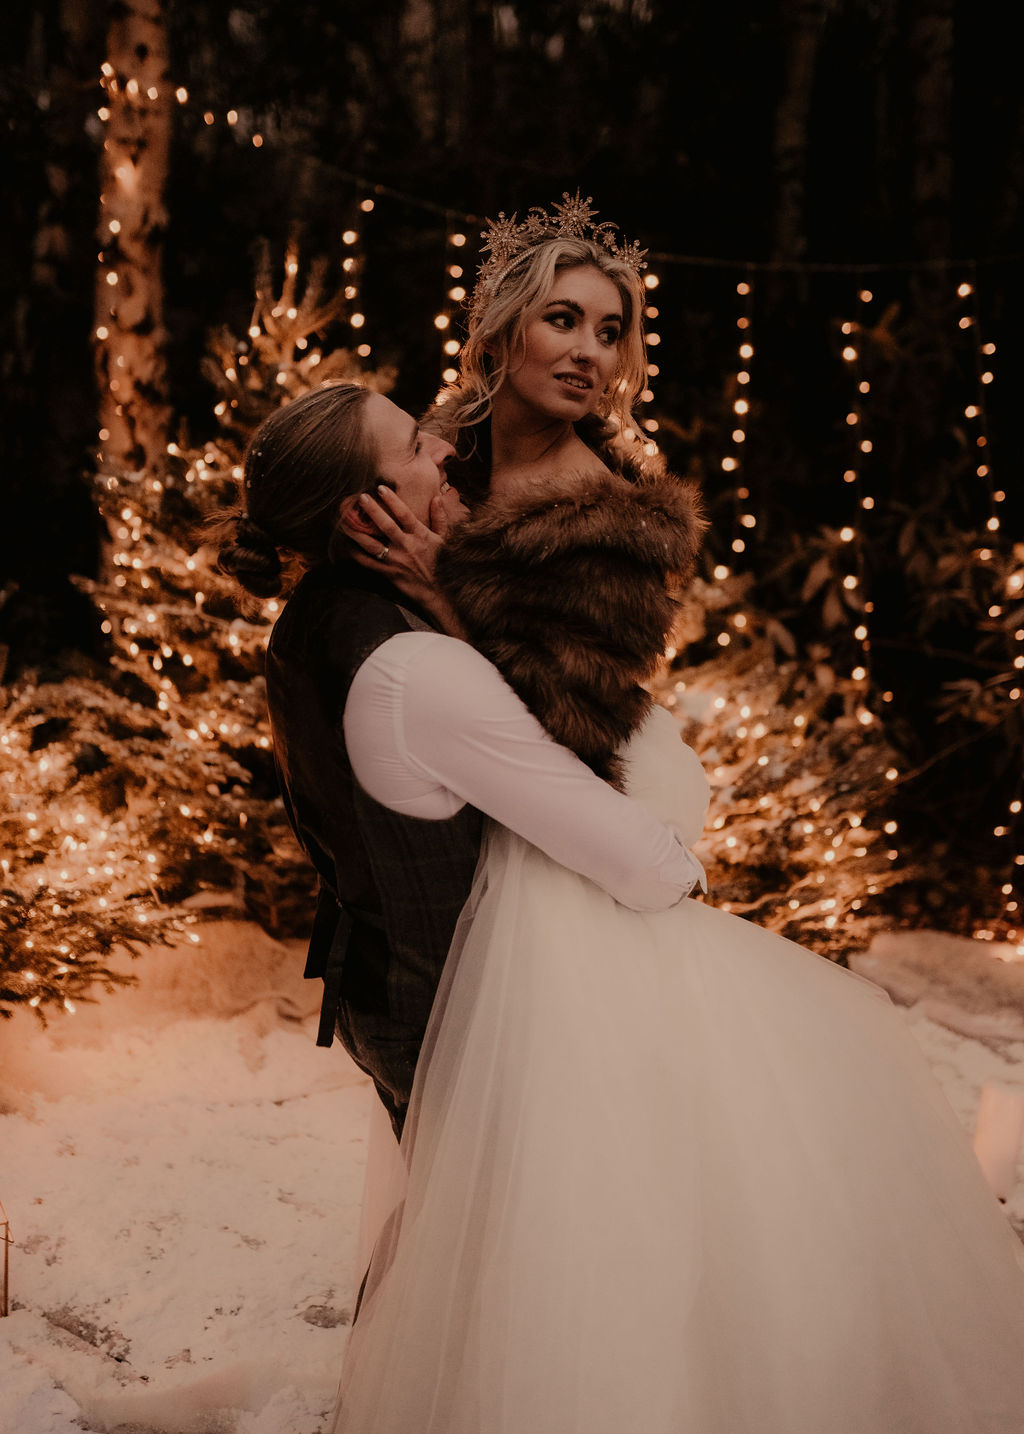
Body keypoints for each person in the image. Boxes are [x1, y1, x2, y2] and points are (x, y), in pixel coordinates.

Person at [329, 196, 1024, 1432]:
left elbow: (567, 731)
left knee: (599, 1090)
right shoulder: (437, 451)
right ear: (498, 332)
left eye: (614, 327)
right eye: (563, 318)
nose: (591, 351)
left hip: (599, 779)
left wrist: (447, 594)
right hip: (524, 785)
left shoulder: (616, 516)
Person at [214, 380, 706, 1142]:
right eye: (414, 445)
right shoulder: (414, 668)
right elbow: (651, 869)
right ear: (365, 512)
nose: (444, 447)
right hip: (466, 1029)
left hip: (386, 993)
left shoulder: (309, 619)